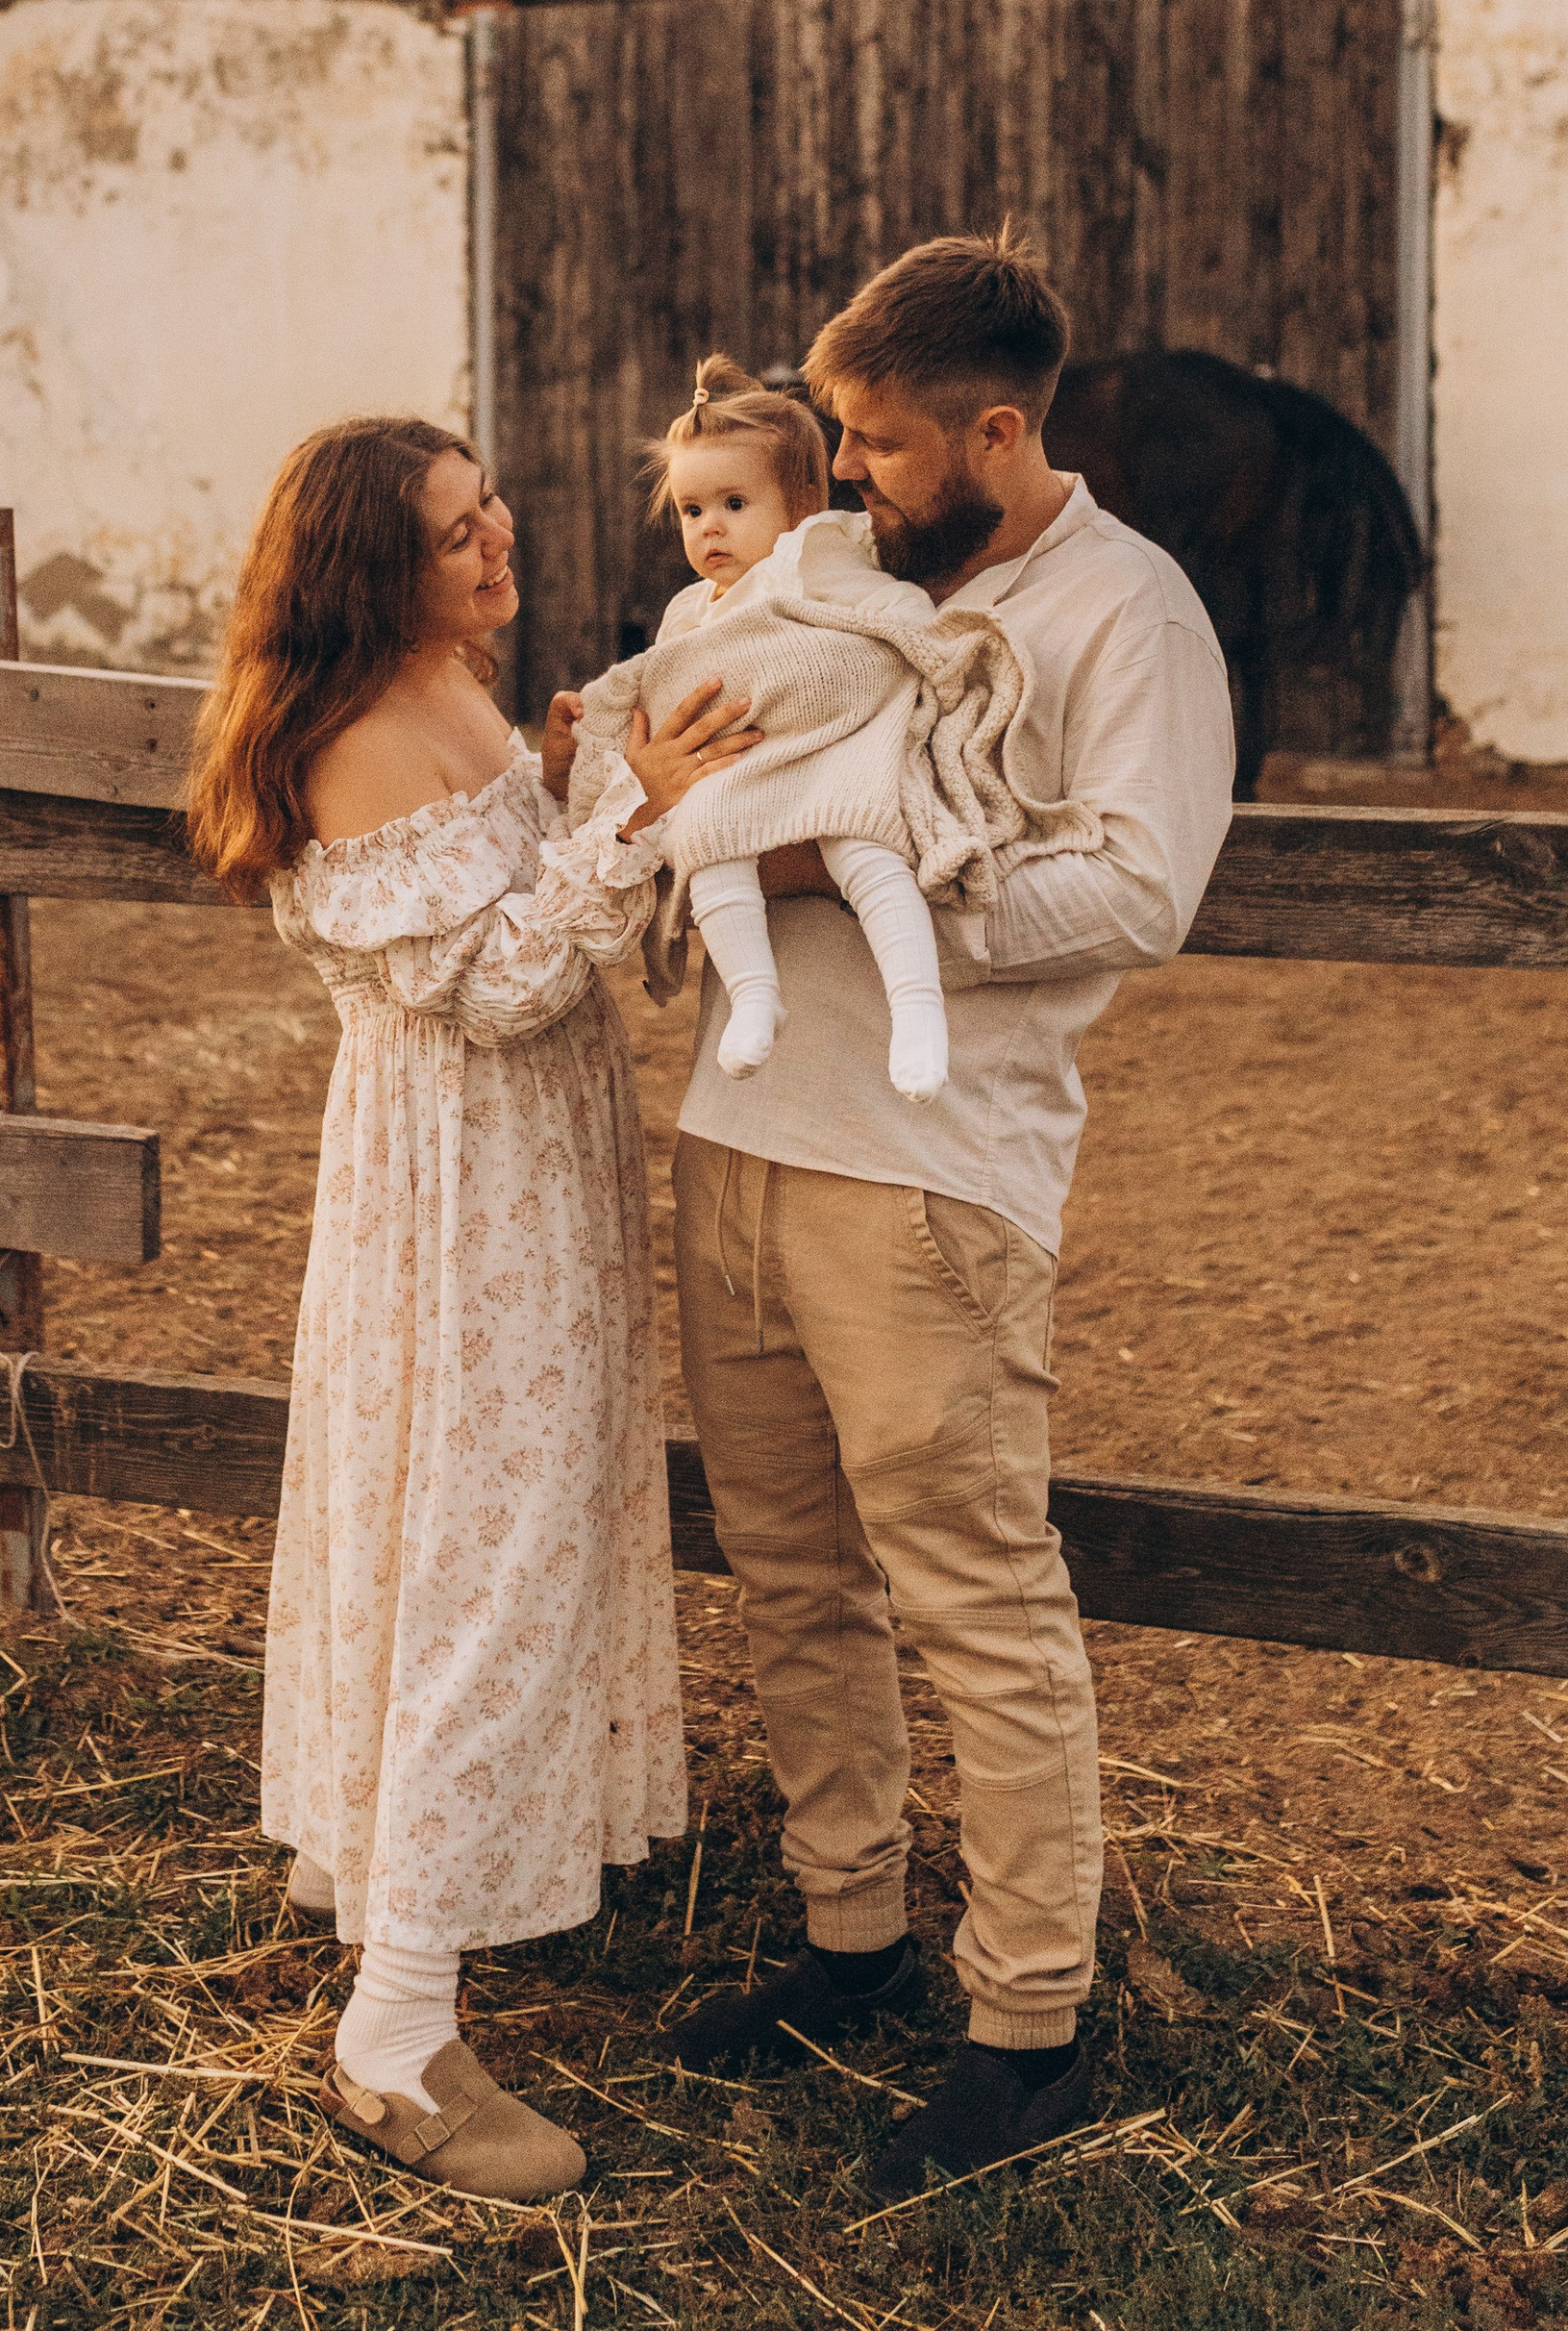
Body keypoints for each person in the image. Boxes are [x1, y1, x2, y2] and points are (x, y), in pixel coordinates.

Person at [658, 231, 1235, 2195]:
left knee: (973, 1598)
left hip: (923, 1182)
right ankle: (847, 1937)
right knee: (788, 1572)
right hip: (736, 1138)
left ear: (997, 430)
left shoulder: (1121, 617)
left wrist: (856, 879)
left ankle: (1023, 2017)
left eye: (886, 448)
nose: (849, 477)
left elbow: (1139, 893)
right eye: (834, 439)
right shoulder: (834, 580)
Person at [185, 414, 755, 2203]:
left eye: (489, 503)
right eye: (453, 531)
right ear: (372, 569)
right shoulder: (353, 736)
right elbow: (501, 984)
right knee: (480, 1567)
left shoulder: (454, 690)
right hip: (461, 1200)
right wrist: (634, 817)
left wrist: (579, 781)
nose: (498, 539)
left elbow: (531, 910)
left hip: (533, 1176)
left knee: (495, 1537)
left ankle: (412, 1891)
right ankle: (395, 2033)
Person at [562, 355, 1102, 1102]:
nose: (710, 528)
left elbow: (905, 621)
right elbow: (665, 681)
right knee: (706, 847)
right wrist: (600, 727)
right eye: (692, 512)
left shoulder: (822, 560)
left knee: (866, 849)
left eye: (733, 504)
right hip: (741, 771)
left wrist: (932, 654)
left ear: (801, 503)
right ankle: (755, 995)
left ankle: (917, 1009)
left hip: (830, 756)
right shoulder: (692, 612)